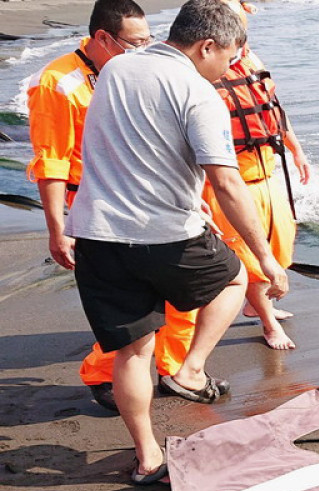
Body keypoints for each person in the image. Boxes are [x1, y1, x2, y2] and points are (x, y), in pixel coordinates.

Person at [65, 0, 288, 484]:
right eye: (228, 58)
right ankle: (191, 371)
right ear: (207, 45)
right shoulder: (200, 92)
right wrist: (268, 259)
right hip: (164, 235)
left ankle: (147, 455)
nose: (229, 69)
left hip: (96, 234)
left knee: (133, 354)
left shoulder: (116, 68)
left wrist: (184, 190)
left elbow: (130, 141)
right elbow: (227, 183)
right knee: (233, 280)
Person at [24, 0, 200, 413]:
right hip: (98, 210)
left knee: (181, 294)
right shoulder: (58, 84)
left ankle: (173, 368)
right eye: (134, 43)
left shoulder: (136, 72)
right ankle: (103, 374)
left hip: (152, 200)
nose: (144, 50)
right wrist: (57, 231)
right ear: (102, 38)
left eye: (148, 40)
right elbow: (51, 164)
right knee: (127, 306)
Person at [201, 0, 311, 350]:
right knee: (249, 255)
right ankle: (267, 323)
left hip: (266, 174)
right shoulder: (202, 70)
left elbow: (272, 107)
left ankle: (256, 302)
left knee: (282, 243)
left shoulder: (251, 59)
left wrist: (296, 149)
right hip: (229, 182)